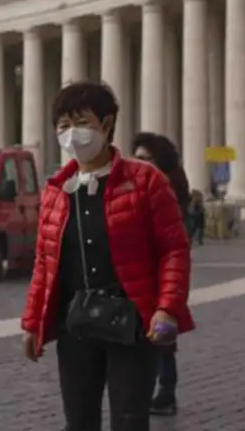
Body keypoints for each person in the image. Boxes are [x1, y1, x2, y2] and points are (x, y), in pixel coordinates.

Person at [20, 81, 193, 431]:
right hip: (76, 326)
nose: (72, 135)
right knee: (79, 420)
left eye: (82, 123)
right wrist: (33, 321)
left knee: (129, 419)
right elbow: (44, 263)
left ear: (107, 124)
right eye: (64, 126)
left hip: (132, 324)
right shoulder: (55, 191)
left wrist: (167, 307)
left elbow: (174, 248)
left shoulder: (147, 181)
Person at [131, 132, 189, 417]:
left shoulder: (167, 186)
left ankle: (164, 391)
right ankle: (161, 390)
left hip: (160, 269)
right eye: (136, 158)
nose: (138, 163)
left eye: (144, 158)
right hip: (145, 268)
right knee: (155, 334)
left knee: (160, 333)